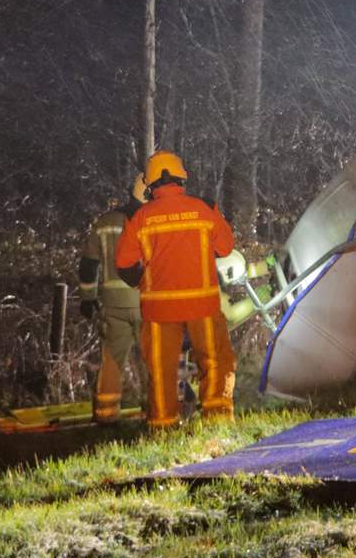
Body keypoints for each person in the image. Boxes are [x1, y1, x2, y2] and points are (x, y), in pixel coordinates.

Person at [115, 151, 237, 429]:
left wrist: (142, 279)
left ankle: (162, 426)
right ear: (182, 177)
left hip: (158, 311)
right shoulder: (204, 207)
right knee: (216, 361)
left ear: (150, 184)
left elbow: (123, 263)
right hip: (202, 307)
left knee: (162, 369)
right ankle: (217, 422)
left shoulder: (142, 216)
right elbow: (226, 247)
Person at [77, 174, 145, 424]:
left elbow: (88, 264)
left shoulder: (105, 222)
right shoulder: (152, 220)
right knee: (152, 359)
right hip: (146, 303)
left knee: (111, 361)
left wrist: (87, 297)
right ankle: (158, 414)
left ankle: (105, 416)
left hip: (112, 305)